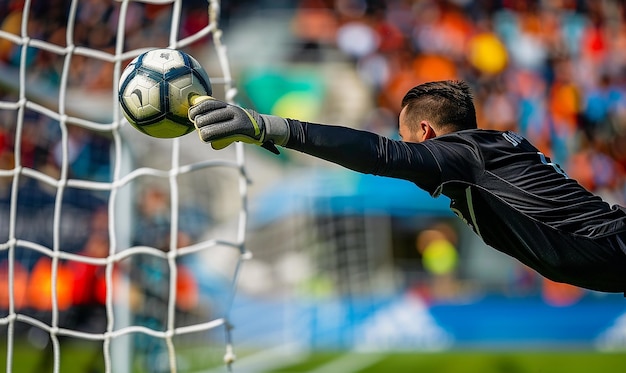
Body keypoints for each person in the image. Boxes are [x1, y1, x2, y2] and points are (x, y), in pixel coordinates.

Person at [188, 80, 626, 294]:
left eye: (407, 139)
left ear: (426, 131)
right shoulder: (493, 146)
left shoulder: (459, 154)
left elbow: (378, 153)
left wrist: (270, 127)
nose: (406, 149)